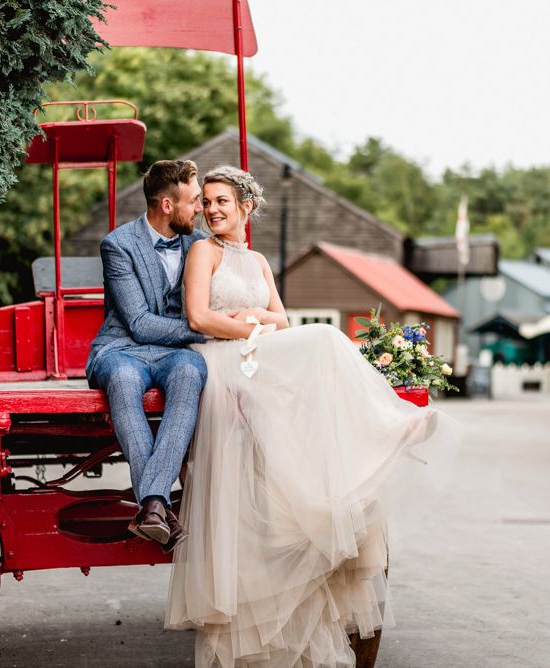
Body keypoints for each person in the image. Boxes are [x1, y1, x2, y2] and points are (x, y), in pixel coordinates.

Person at [166, 166, 456, 667]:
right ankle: (386, 425)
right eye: (207, 202)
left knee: (316, 350)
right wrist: (247, 329)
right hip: (219, 358)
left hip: (251, 347)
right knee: (322, 339)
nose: (212, 210)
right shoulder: (202, 252)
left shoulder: (257, 261)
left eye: (222, 202)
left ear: (245, 207)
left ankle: (364, 446)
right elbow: (196, 318)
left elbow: (280, 315)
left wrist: (252, 320)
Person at [86, 159, 208, 554]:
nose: (200, 209)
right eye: (193, 201)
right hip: (121, 348)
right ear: (168, 205)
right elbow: (138, 322)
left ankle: (152, 508)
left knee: (193, 371)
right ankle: (157, 501)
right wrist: (204, 329)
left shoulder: (199, 246)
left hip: (176, 355)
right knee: (122, 381)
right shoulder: (118, 244)